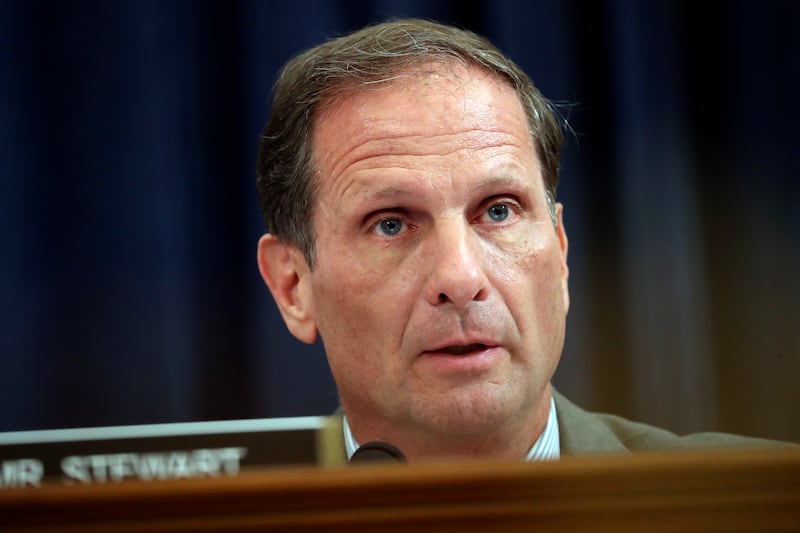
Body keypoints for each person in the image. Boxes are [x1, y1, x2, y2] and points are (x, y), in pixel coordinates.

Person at [255, 19, 786, 462]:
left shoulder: (761, 500)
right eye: (391, 223)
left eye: (499, 211)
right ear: (293, 286)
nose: (460, 279)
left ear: (560, 251)